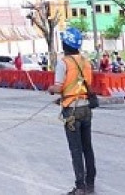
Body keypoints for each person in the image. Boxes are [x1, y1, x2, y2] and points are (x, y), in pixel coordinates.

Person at [48, 26, 96, 195]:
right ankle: (90, 185)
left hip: (72, 112)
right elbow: (81, 85)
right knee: (87, 148)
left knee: (75, 149)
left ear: (65, 44)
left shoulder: (64, 63)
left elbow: (59, 86)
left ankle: (80, 187)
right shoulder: (85, 61)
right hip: (86, 109)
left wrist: (51, 89)